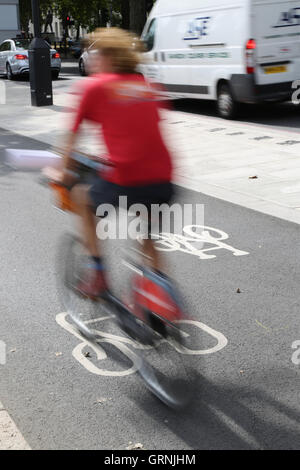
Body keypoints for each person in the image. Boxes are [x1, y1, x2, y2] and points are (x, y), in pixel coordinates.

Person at [56, 28, 174, 299]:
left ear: (107, 56)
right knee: (146, 235)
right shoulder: (148, 86)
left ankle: (96, 274)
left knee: (82, 198)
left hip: (127, 178)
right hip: (164, 179)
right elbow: (142, 132)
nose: (92, 59)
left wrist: (61, 173)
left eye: (95, 53)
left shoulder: (95, 87)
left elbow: (70, 138)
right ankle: (162, 298)